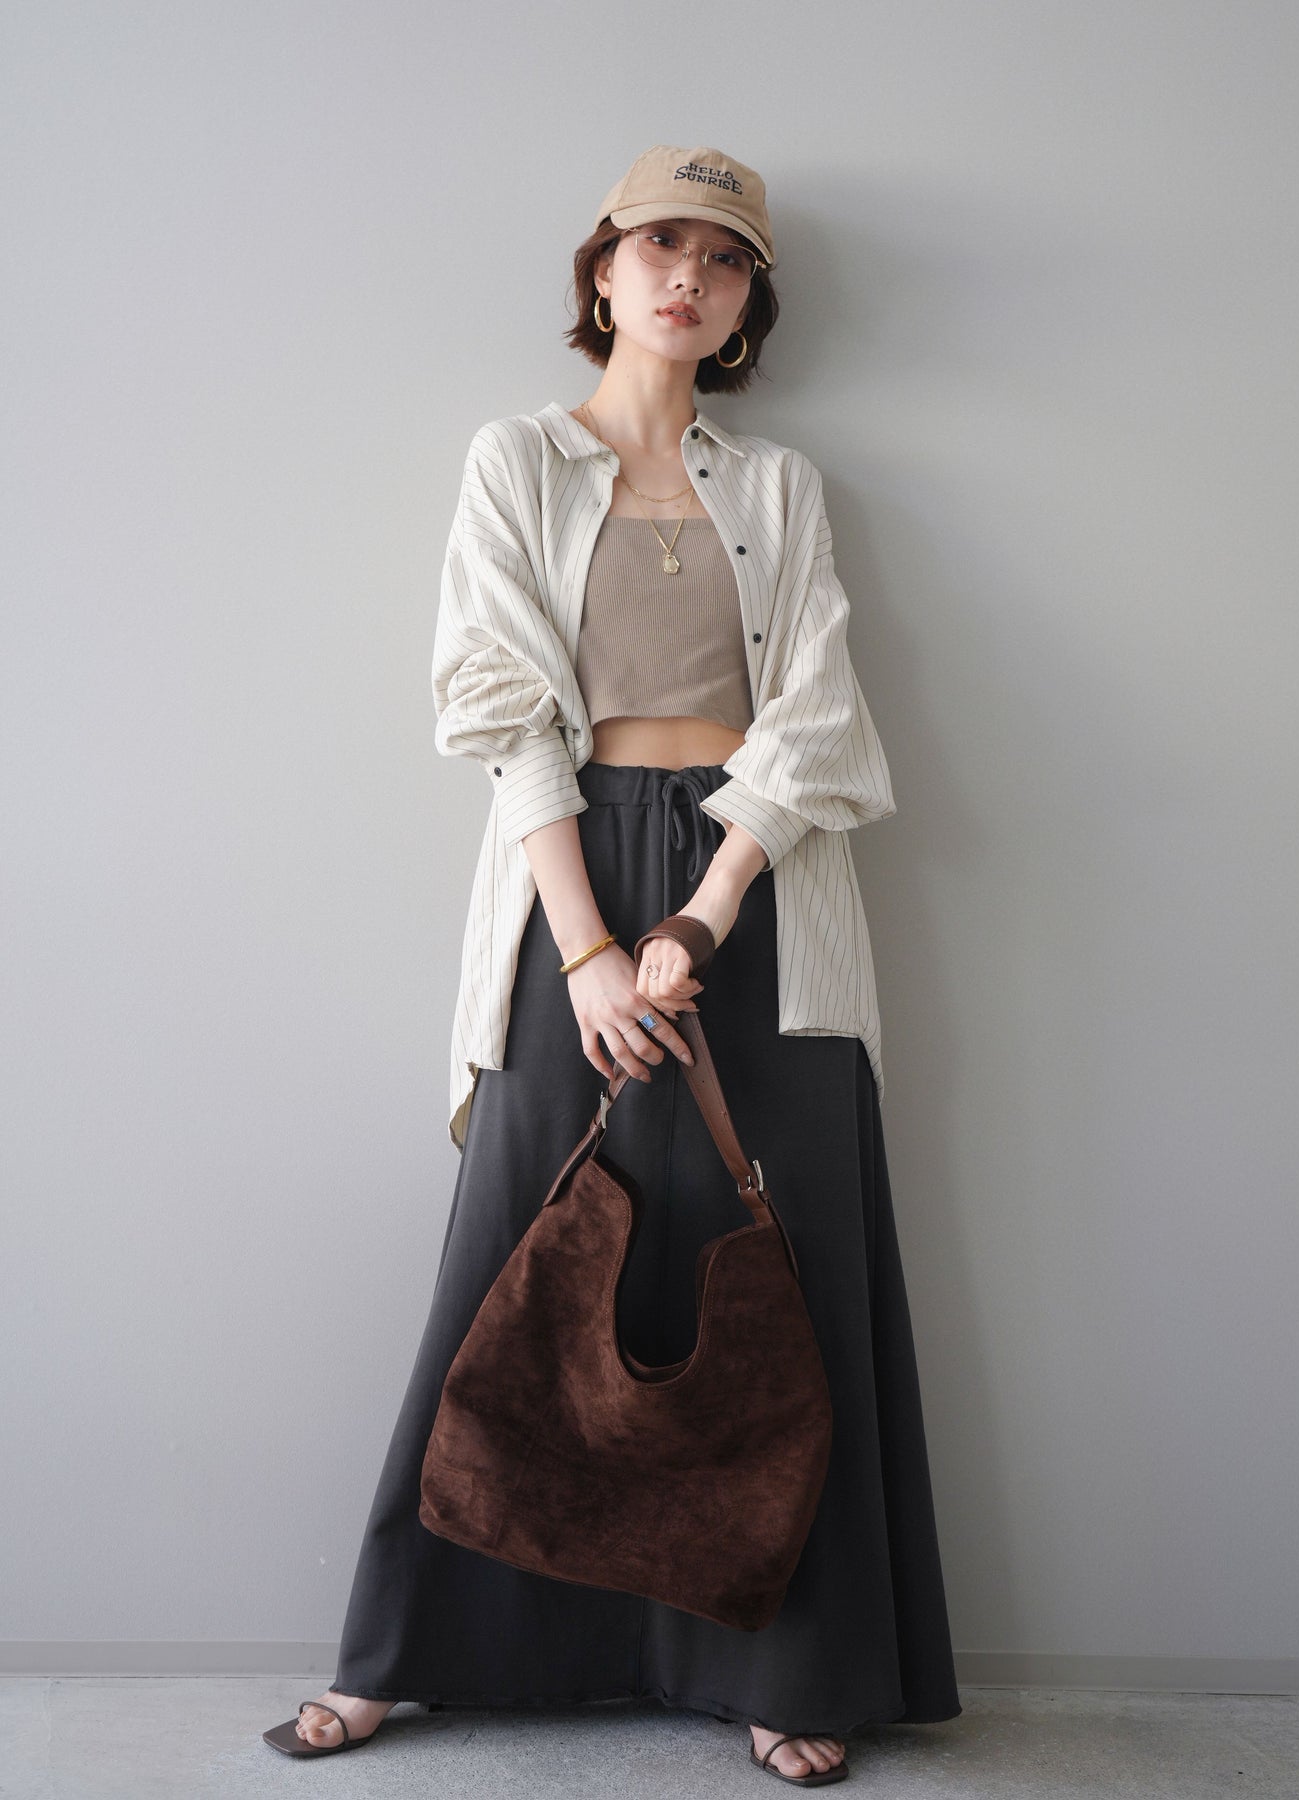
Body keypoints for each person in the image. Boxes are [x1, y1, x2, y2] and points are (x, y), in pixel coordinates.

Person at [263, 143, 961, 1788]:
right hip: (564, 876)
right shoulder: (516, 459)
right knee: (515, 1257)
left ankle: (785, 1670)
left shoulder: (779, 486)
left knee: (779, 1269)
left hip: (755, 887)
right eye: (660, 245)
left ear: (746, 303)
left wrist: (700, 915)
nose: (688, 277)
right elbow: (499, 703)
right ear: (601, 270)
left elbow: (815, 716)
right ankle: (406, 1652)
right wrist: (588, 950)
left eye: (725, 259)